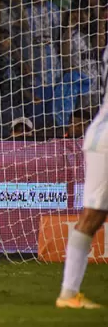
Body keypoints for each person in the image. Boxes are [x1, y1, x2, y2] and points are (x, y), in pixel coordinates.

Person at [56, 91, 108, 309]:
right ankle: (68, 293)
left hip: (100, 136)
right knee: (92, 215)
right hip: (104, 140)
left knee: (94, 216)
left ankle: (69, 293)